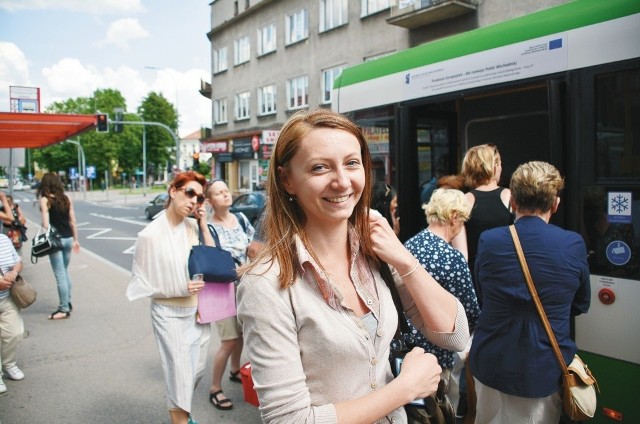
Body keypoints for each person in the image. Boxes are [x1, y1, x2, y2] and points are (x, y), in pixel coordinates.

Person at [237, 108, 470, 424]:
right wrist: (404, 389)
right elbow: (288, 420)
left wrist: (403, 258)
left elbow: (454, 335)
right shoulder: (267, 283)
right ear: (287, 179)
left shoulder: (374, 253)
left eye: (352, 163)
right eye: (320, 168)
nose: (342, 182)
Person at [469, 161, 590, 424]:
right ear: (555, 204)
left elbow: (481, 295)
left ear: (511, 200)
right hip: (542, 367)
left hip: (490, 361)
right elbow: (581, 303)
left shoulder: (489, 240)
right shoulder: (573, 244)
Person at [127, 171, 214, 424]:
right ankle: (181, 419)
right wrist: (178, 287)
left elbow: (209, 258)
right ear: (172, 191)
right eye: (189, 193)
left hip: (198, 311)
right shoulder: (150, 235)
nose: (193, 201)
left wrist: (203, 223)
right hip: (169, 314)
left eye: (198, 197)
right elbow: (140, 283)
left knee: (195, 370)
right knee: (179, 375)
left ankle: (183, 414)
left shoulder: (191, 226)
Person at [403, 188, 480, 412]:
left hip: (407, 352)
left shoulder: (409, 245)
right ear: (454, 217)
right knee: (438, 412)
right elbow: (470, 312)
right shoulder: (452, 258)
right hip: (436, 355)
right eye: (463, 220)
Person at [204, 179, 255, 411]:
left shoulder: (242, 219)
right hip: (221, 289)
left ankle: (235, 370)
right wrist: (202, 224)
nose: (225, 194)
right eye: (218, 193)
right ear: (210, 200)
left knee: (242, 333)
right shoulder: (207, 226)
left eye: (226, 190)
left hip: (245, 286)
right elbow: (210, 256)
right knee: (228, 340)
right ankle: (215, 387)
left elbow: (254, 246)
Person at [457, 144, 513, 303]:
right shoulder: (510, 197)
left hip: (478, 278)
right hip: (507, 274)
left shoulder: (464, 201)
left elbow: (462, 255)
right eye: (500, 164)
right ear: (494, 166)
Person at [36, 172, 80, 320]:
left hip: (56, 241)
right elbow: (73, 221)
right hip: (68, 238)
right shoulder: (66, 199)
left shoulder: (45, 200)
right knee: (65, 272)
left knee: (60, 275)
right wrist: (76, 240)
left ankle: (63, 309)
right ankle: (67, 301)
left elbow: (46, 224)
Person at [0, 232, 25, 394]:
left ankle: (9, 364)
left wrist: (14, 272)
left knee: (15, 333)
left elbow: (18, 262)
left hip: (7, 298)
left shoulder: (3, 239)